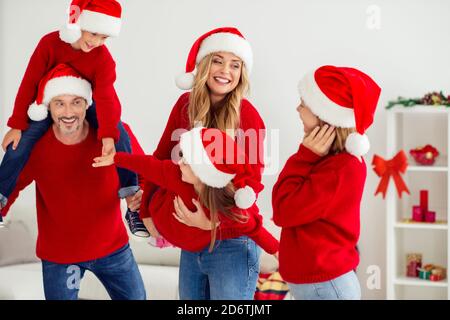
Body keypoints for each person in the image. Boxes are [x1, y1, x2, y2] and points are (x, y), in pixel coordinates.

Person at [0, 0, 148, 237]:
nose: (96, 41)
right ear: (79, 22)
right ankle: (1, 201)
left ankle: (132, 200)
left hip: (85, 102)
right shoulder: (50, 44)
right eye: (93, 33)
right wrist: (17, 124)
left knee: (120, 133)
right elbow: (29, 82)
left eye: (104, 37)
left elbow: (107, 97)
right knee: (19, 145)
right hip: (46, 104)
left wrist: (109, 134)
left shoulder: (103, 59)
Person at [0, 64, 146, 300]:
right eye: (59, 103)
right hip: (60, 256)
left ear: (87, 105)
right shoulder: (35, 147)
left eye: (76, 102)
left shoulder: (114, 139)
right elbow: (11, 185)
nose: (68, 112)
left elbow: (144, 170)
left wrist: (142, 201)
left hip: (113, 250)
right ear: (49, 107)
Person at [93, 126, 279, 300]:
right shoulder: (175, 174)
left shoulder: (228, 207)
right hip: (181, 242)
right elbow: (147, 164)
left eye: (187, 161)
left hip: (211, 246)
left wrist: (280, 254)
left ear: (202, 172)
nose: (180, 162)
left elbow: (256, 230)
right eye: (182, 155)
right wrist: (116, 158)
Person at [272, 65, 381, 300]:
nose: (298, 109)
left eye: (303, 103)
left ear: (325, 115)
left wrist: (304, 156)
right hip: (321, 285)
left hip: (325, 287)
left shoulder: (340, 168)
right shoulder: (328, 162)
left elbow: (282, 209)